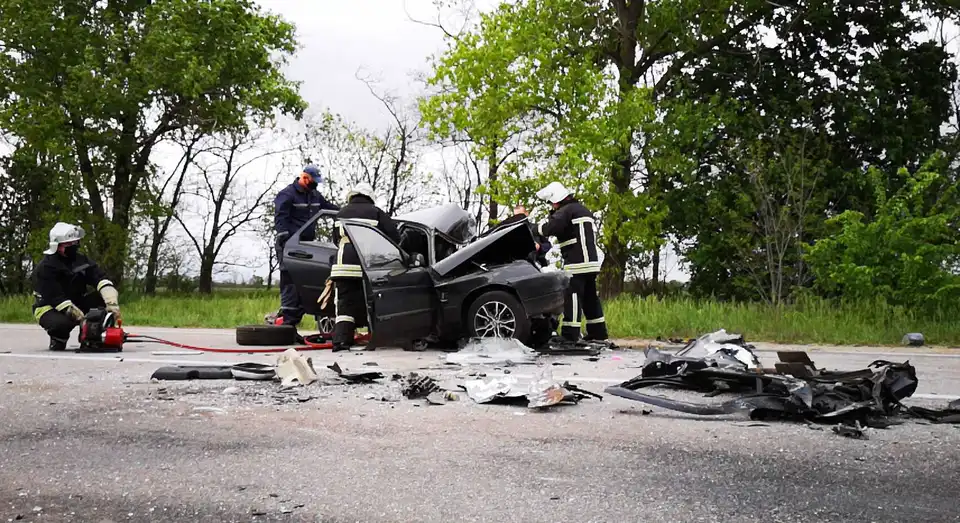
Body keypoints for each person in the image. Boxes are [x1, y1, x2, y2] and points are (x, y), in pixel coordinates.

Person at [532, 182, 608, 342]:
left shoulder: (566, 211)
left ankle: (570, 334)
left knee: (572, 295)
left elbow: (550, 228)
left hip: (577, 262)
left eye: (551, 203)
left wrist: (534, 228)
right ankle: (598, 333)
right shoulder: (582, 210)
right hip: (591, 262)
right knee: (590, 297)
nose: (552, 206)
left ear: (556, 199)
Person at [330, 183, 401, 352]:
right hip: (367, 267)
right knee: (372, 303)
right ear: (370, 197)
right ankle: (374, 338)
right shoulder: (376, 213)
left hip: (343, 266)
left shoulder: (341, 213)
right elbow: (394, 237)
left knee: (344, 306)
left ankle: (341, 341)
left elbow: (335, 239)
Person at [31, 222, 122, 351]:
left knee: (100, 299)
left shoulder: (81, 260)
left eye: (75, 243)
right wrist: (82, 319)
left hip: (76, 300)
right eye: (69, 244)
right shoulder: (45, 268)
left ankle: (93, 338)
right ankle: (58, 338)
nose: (73, 246)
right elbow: (57, 299)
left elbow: (100, 278)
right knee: (61, 324)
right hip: (49, 307)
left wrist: (111, 301)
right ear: (58, 246)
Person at [274, 164, 340, 337]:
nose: (315, 185)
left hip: (306, 244)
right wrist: (284, 237)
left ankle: (299, 313)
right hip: (289, 245)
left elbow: (328, 208)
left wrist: (346, 211)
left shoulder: (315, 195)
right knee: (290, 281)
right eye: (313, 181)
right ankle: (287, 324)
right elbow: (281, 218)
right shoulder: (287, 195)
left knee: (307, 279)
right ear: (304, 177)